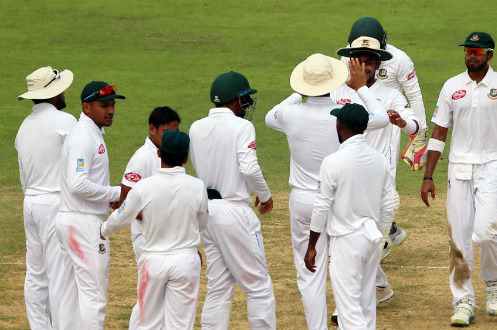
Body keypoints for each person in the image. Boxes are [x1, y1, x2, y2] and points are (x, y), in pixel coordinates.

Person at [420, 32, 497, 326]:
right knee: (458, 237)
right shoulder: (451, 86)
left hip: (494, 167)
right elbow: (439, 132)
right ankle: (463, 301)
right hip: (459, 169)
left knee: (488, 230)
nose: (472, 55)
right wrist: (428, 175)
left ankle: (493, 284)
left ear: (490, 55)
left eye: (478, 51)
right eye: (468, 50)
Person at [332, 35, 422, 307]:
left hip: (379, 191)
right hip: (345, 185)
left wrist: (403, 122)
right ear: (350, 61)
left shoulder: (391, 95)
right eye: (359, 60)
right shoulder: (336, 91)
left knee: (362, 247)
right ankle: (379, 286)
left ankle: (348, 307)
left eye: (370, 61)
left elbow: (417, 125)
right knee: (355, 248)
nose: (365, 66)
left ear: (378, 64)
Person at [264, 53, 346, 330]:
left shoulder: (289, 112)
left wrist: (297, 94)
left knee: (309, 272)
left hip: (302, 199)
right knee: (343, 267)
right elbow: (380, 118)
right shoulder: (342, 112)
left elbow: (268, 116)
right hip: (337, 198)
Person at [190, 71, 276, 330]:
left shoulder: (196, 127)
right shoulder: (242, 127)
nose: (247, 104)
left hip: (207, 213)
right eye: (245, 99)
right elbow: (249, 168)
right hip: (235, 212)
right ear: (235, 101)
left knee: (218, 286)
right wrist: (265, 195)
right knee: (259, 286)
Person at [342, 17, 430, 256]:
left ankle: (380, 235)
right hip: (356, 121)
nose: (363, 63)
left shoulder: (399, 60)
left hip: (389, 120)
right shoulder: (346, 59)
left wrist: (419, 134)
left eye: (370, 58)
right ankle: (388, 229)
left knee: (382, 182)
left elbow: (415, 96)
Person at [101, 130, 207, 330]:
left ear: (159, 153)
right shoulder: (197, 186)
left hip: (153, 261)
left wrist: (104, 229)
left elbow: (122, 215)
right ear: (186, 158)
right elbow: (201, 223)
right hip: (185, 260)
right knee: (180, 325)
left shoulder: (144, 187)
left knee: (146, 323)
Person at [304, 103, 395, 330]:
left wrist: (312, 245)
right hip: (370, 238)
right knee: (365, 303)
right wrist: (380, 234)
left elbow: (321, 206)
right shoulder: (379, 160)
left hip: (346, 239)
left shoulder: (333, 161)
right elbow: (388, 204)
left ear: (340, 125)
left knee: (349, 308)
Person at [55, 81, 126, 329]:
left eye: (112, 105)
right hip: (83, 222)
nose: (110, 110)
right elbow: (78, 184)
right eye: (104, 105)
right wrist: (116, 192)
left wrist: (109, 195)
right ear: (86, 107)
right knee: (94, 297)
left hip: (73, 220)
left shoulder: (89, 133)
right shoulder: (83, 137)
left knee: (71, 296)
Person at [15, 66, 77, 330]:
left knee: (36, 274)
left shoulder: (23, 127)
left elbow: (23, 176)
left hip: (30, 203)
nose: (64, 92)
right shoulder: (65, 122)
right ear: (53, 95)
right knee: (59, 273)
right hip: (54, 203)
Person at [116, 106, 181, 329]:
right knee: (149, 297)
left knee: (162, 298)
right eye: (168, 132)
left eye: (176, 133)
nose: (172, 138)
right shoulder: (142, 159)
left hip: (166, 238)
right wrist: (158, 215)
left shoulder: (168, 155)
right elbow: (125, 199)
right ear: (152, 129)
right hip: (146, 238)